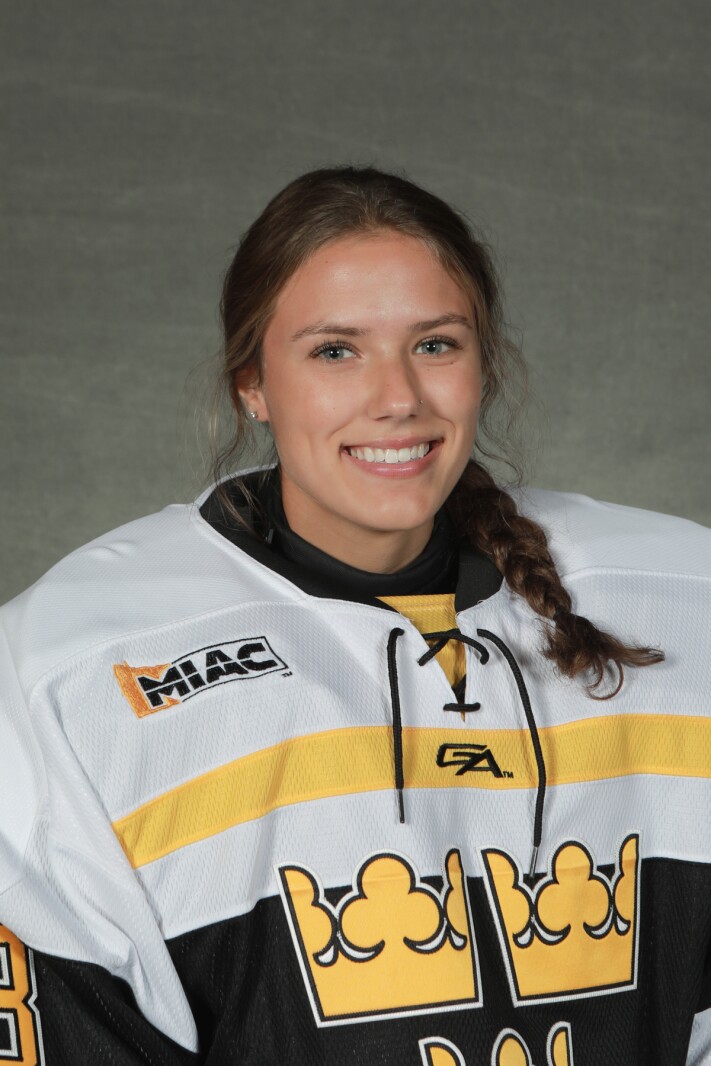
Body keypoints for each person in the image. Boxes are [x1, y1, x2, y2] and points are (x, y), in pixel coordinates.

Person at [0, 166, 709, 1066]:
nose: (397, 398)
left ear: (482, 366)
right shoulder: (72, 663)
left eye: (436, 345)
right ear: (252, 383)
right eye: (335, 350)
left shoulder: (685, 595)